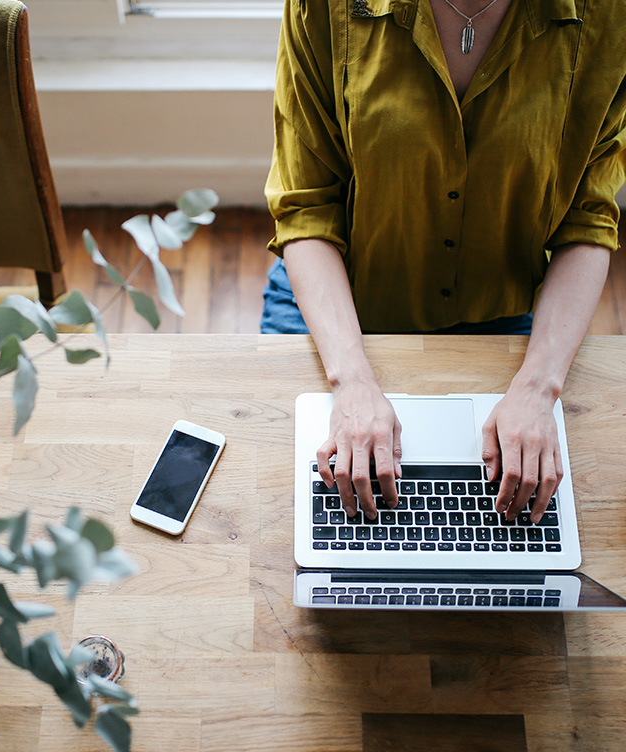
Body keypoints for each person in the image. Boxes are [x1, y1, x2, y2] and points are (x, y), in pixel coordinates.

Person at [262, 0, 626, 526]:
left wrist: (537, 386)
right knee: (288, 517)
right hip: (335, 307)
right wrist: (352, 382)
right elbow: (306, 207)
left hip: (503, 319)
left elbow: (588, 220)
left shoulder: (608, 15)